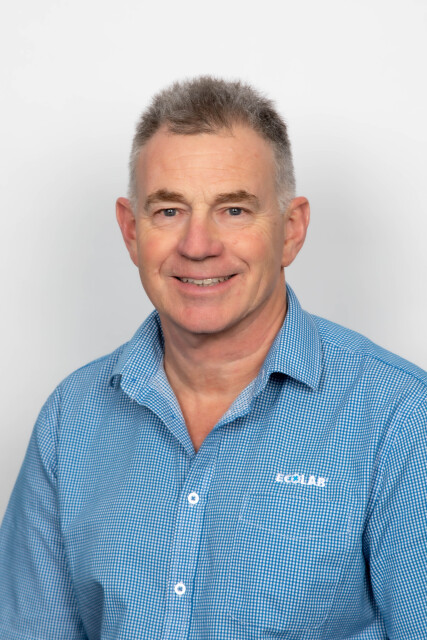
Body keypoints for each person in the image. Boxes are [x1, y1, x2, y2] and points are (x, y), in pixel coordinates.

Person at [0, 76, 426, 640]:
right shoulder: (70, 419)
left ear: (291, 230)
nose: (198, 245)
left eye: (234, 209)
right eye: (169, 211)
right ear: (131, 230)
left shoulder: (399, 417)